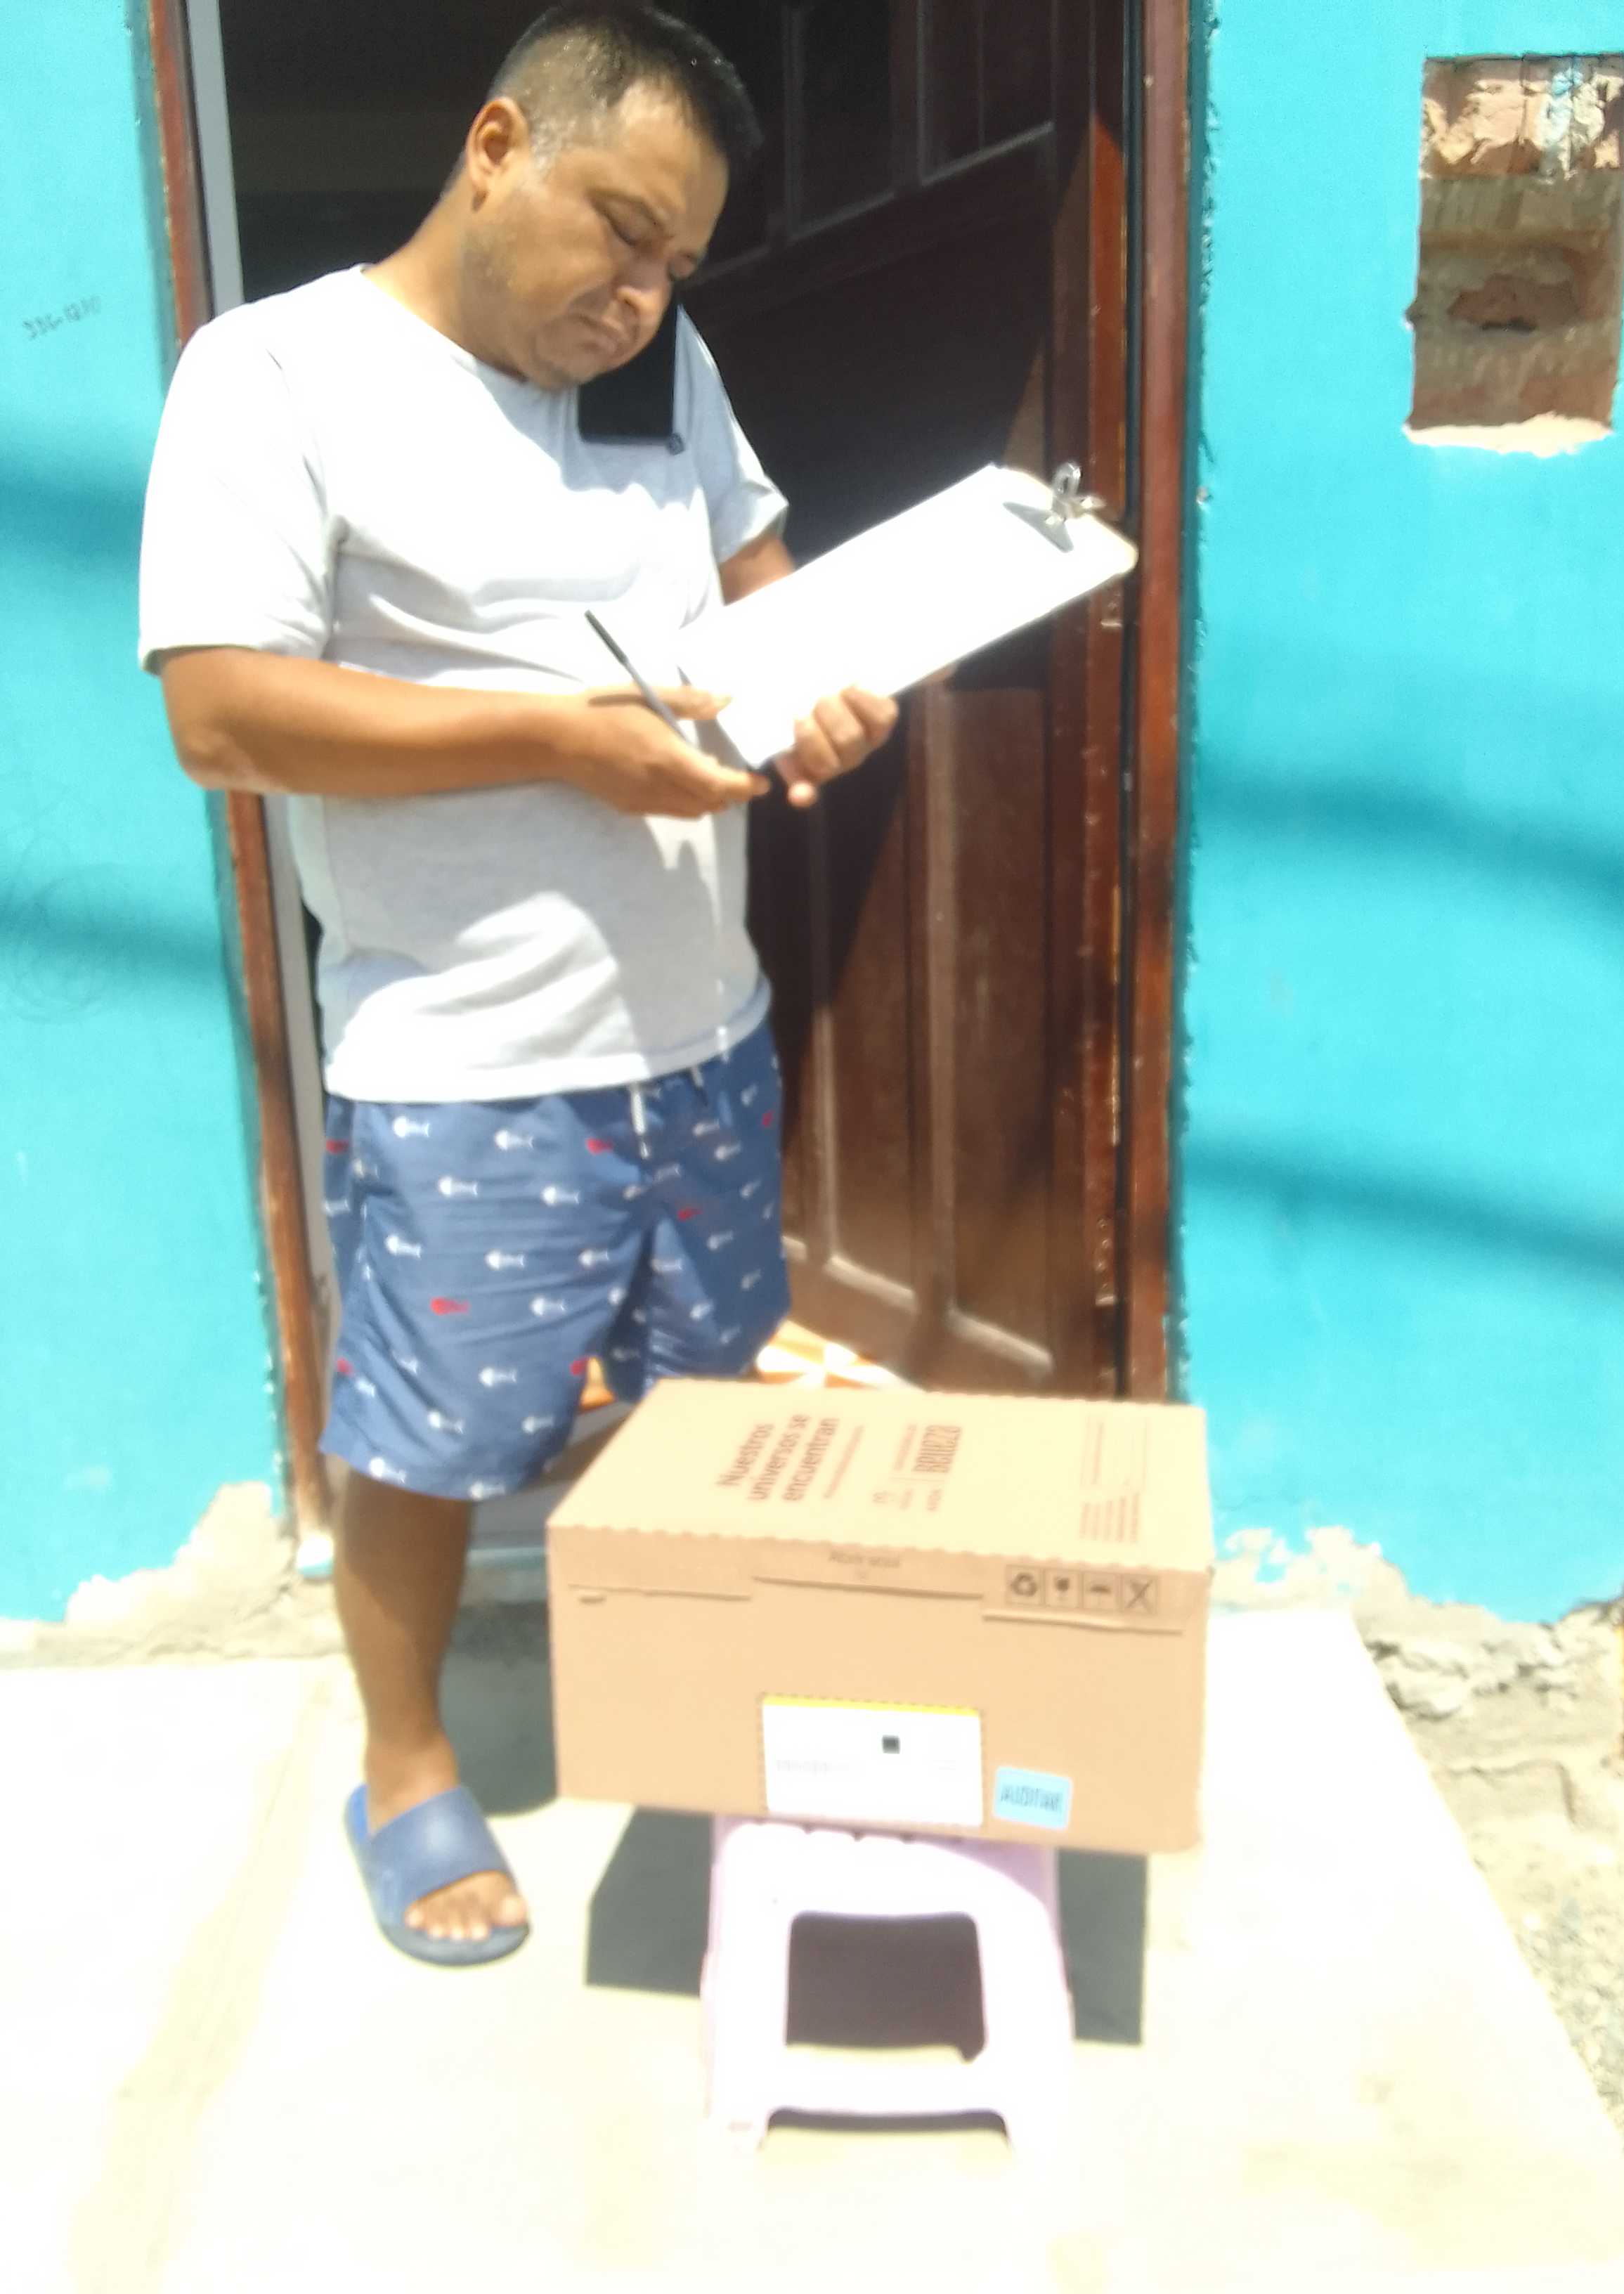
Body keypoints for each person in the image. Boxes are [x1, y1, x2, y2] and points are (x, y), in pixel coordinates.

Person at [138, 3, 898, 1967]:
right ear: (497, 148)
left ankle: (689, 1705)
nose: (639, 296)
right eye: (620, 231)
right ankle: (406, 1767)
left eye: (678, 264)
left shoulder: (661, 369)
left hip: (703, 1032)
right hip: (467, 1060)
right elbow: (222, 712)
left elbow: (757, 576)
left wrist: (818, 679)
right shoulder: (276, 374)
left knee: (704, 1403)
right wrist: (564, 741)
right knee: (431, 1436)